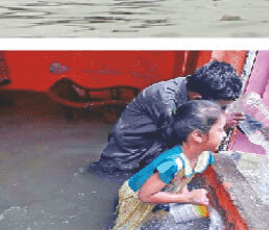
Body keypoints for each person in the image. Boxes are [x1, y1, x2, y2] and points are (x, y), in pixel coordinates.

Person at [90, 60, 244, 176]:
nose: (221, 111)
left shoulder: (194, 89)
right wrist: (220, 123)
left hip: (148, 155)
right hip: (125, 159)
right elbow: (180, 137)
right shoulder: (165, 100)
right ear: (197, 99)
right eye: (220, 107)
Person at [112, 100, 225, 230]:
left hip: (157, 191)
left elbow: (183, 177)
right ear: (198, 136)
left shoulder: (204, 157)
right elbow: (144, 196)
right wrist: (187, 198)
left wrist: (186, 194)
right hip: (136, 197)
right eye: (220, 129)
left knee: (151, 218)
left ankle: (154, 216)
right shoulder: (171, 163)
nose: (224, 135)